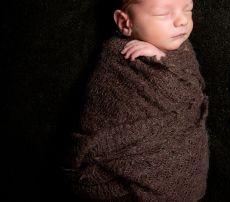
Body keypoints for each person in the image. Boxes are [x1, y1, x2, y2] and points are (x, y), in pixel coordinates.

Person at [63, 0, 210, 201]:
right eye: (162, 14)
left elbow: (191, 93)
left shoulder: (183, 51)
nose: (182, 20)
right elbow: (100, 113)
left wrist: (162, 61)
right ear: (125, 23)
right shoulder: (118, 61)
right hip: (132, 166)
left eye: (188, 9)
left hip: (184, 165)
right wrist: (157, 69)